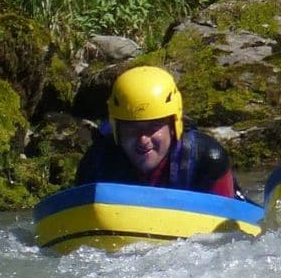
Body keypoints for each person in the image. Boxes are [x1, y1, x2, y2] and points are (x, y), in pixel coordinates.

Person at [75, 65, 238, 197]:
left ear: (174, 127)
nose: (143, 139)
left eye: (153, 127)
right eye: (131, 128)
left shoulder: (206, 159)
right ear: (117, 130)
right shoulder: (97, 161)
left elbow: (229, 228)